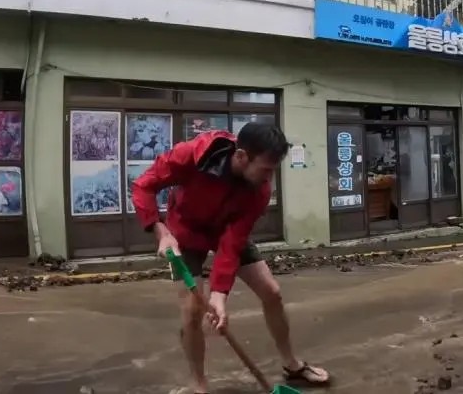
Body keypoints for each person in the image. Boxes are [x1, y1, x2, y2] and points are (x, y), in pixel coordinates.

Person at [132, 123, 330, 393]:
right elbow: (144, 186)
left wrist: (219, 294)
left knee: (272, 291)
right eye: (265, 168)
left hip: (225, 229)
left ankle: (292, 364)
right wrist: (161, 231)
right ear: (240, 156)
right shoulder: (191, 155)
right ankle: (199, 385)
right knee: (192, 312)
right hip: (185, 233)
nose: (269, 177)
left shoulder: (259, 189)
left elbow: (232, 241)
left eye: (273, 170)